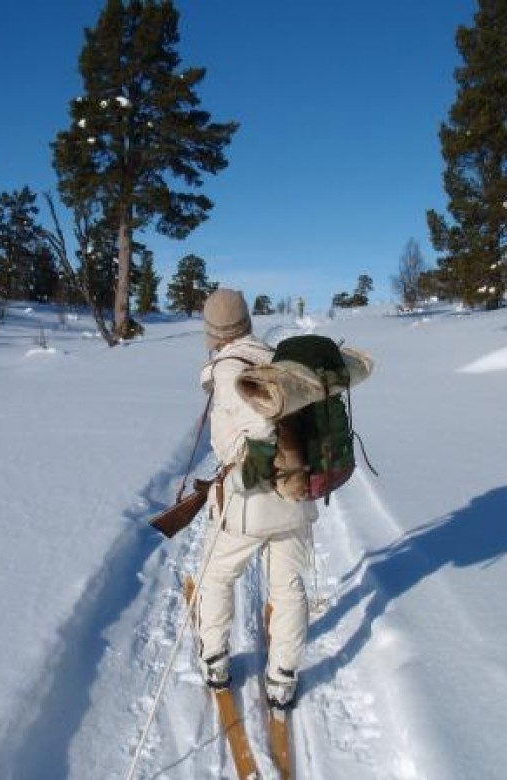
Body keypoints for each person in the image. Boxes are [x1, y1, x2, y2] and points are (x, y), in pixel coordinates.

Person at [195, 288, 318, 708]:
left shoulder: (230, 370)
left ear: (214, 332)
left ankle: (215, 660)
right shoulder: (273, 358)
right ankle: (282, 676)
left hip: (250, 499)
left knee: (215, 576)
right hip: (294, 491)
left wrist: (242, 472)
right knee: (287, 586)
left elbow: (260, 429)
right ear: (246, 323)